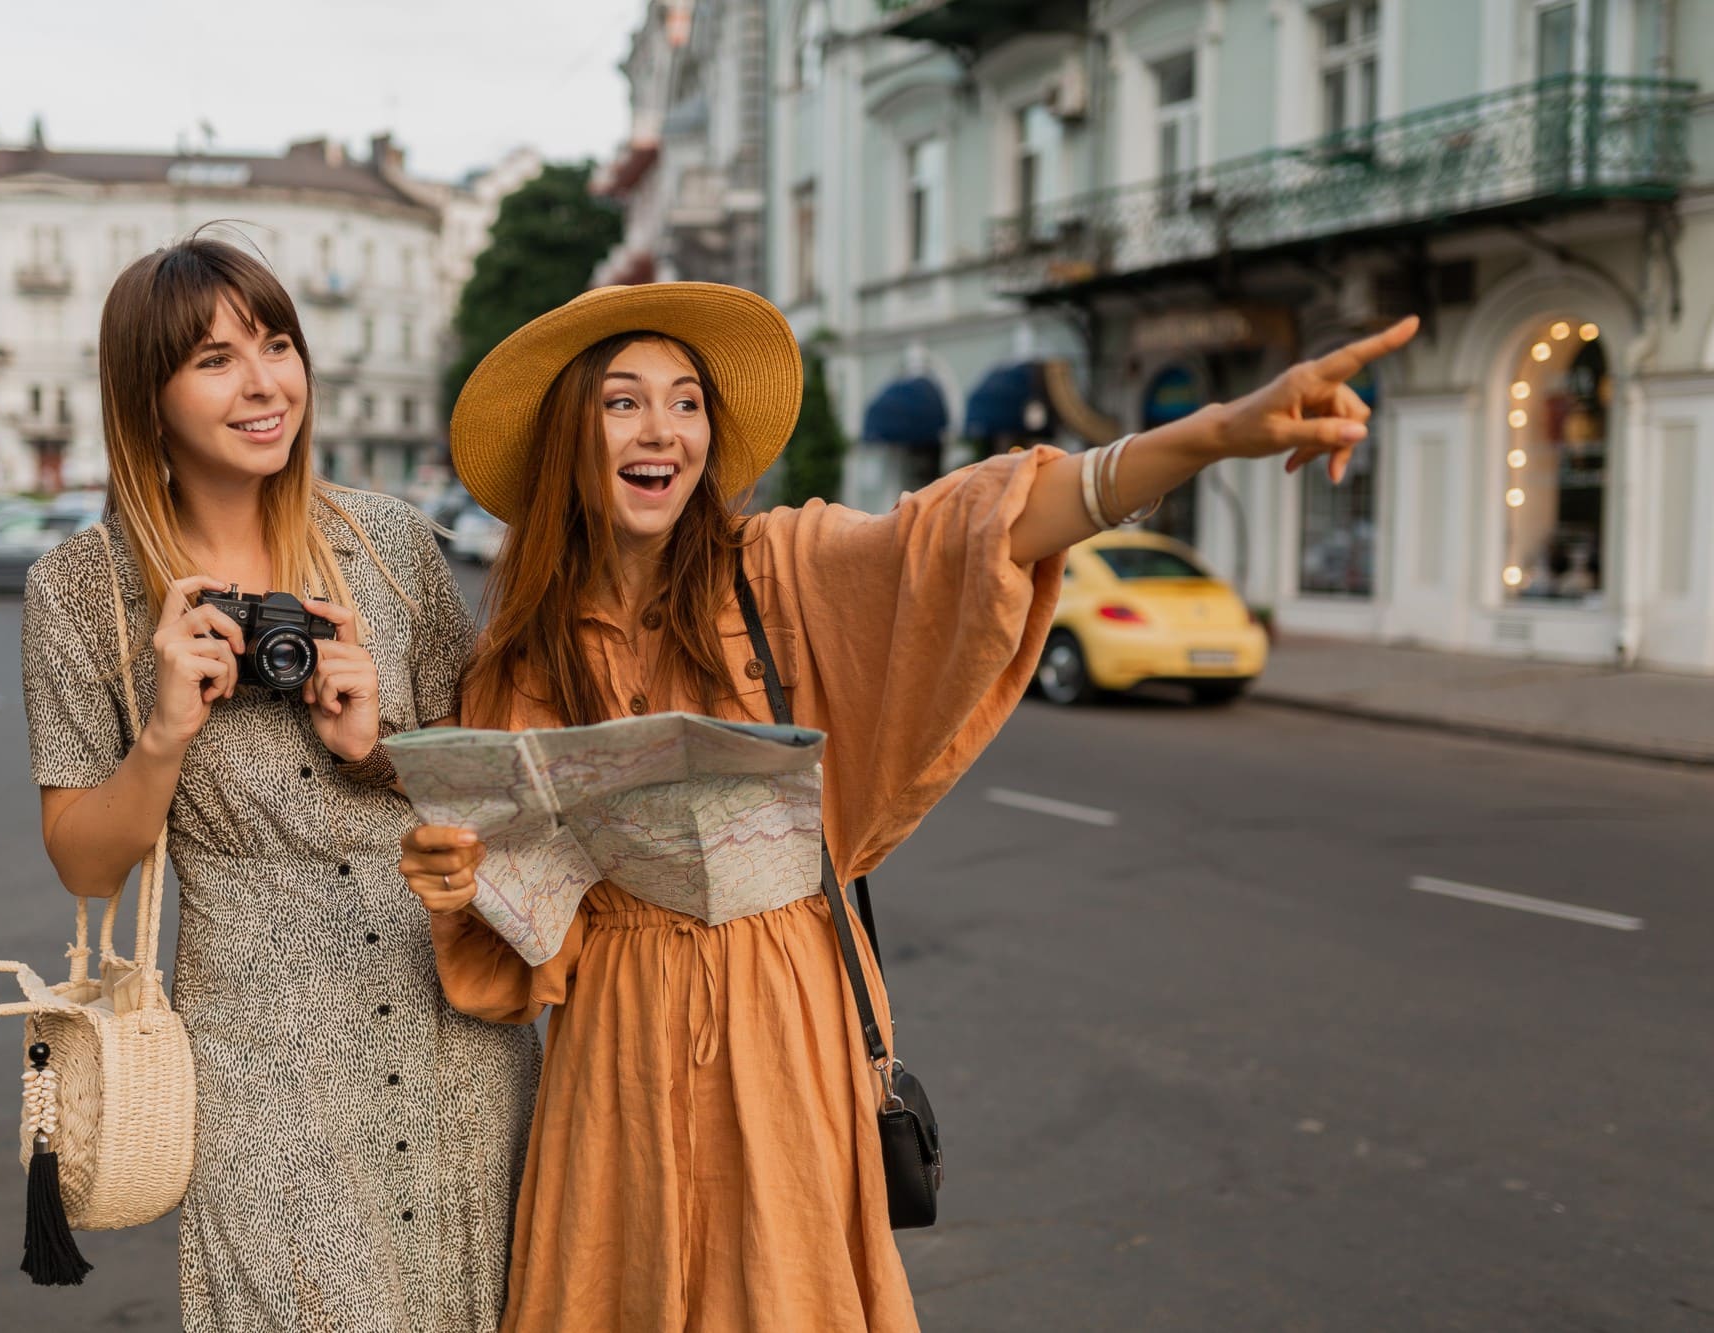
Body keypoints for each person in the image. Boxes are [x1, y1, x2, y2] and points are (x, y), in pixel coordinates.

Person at [398, 282, 1415, 1333]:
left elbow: (980, 527)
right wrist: (458, 882)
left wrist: (1211, 432)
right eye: (622, 402)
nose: (662, 428)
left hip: (782, 1016)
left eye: (686, 400)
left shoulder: (779, 569)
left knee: (783, 1295)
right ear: (572, 431)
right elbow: (524, 951)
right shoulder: (518, 659)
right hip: (612, 1043)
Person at [20, 236, 539, 1333]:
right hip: (262, 1056)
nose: (264, 383)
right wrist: (163, 733)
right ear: (145, 396)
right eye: (214, 359)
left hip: (455, 1016)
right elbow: (81, 859)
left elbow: (491, 787)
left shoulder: (391, 545)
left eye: (277, 343)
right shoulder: (82, 591)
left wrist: (379, 744)